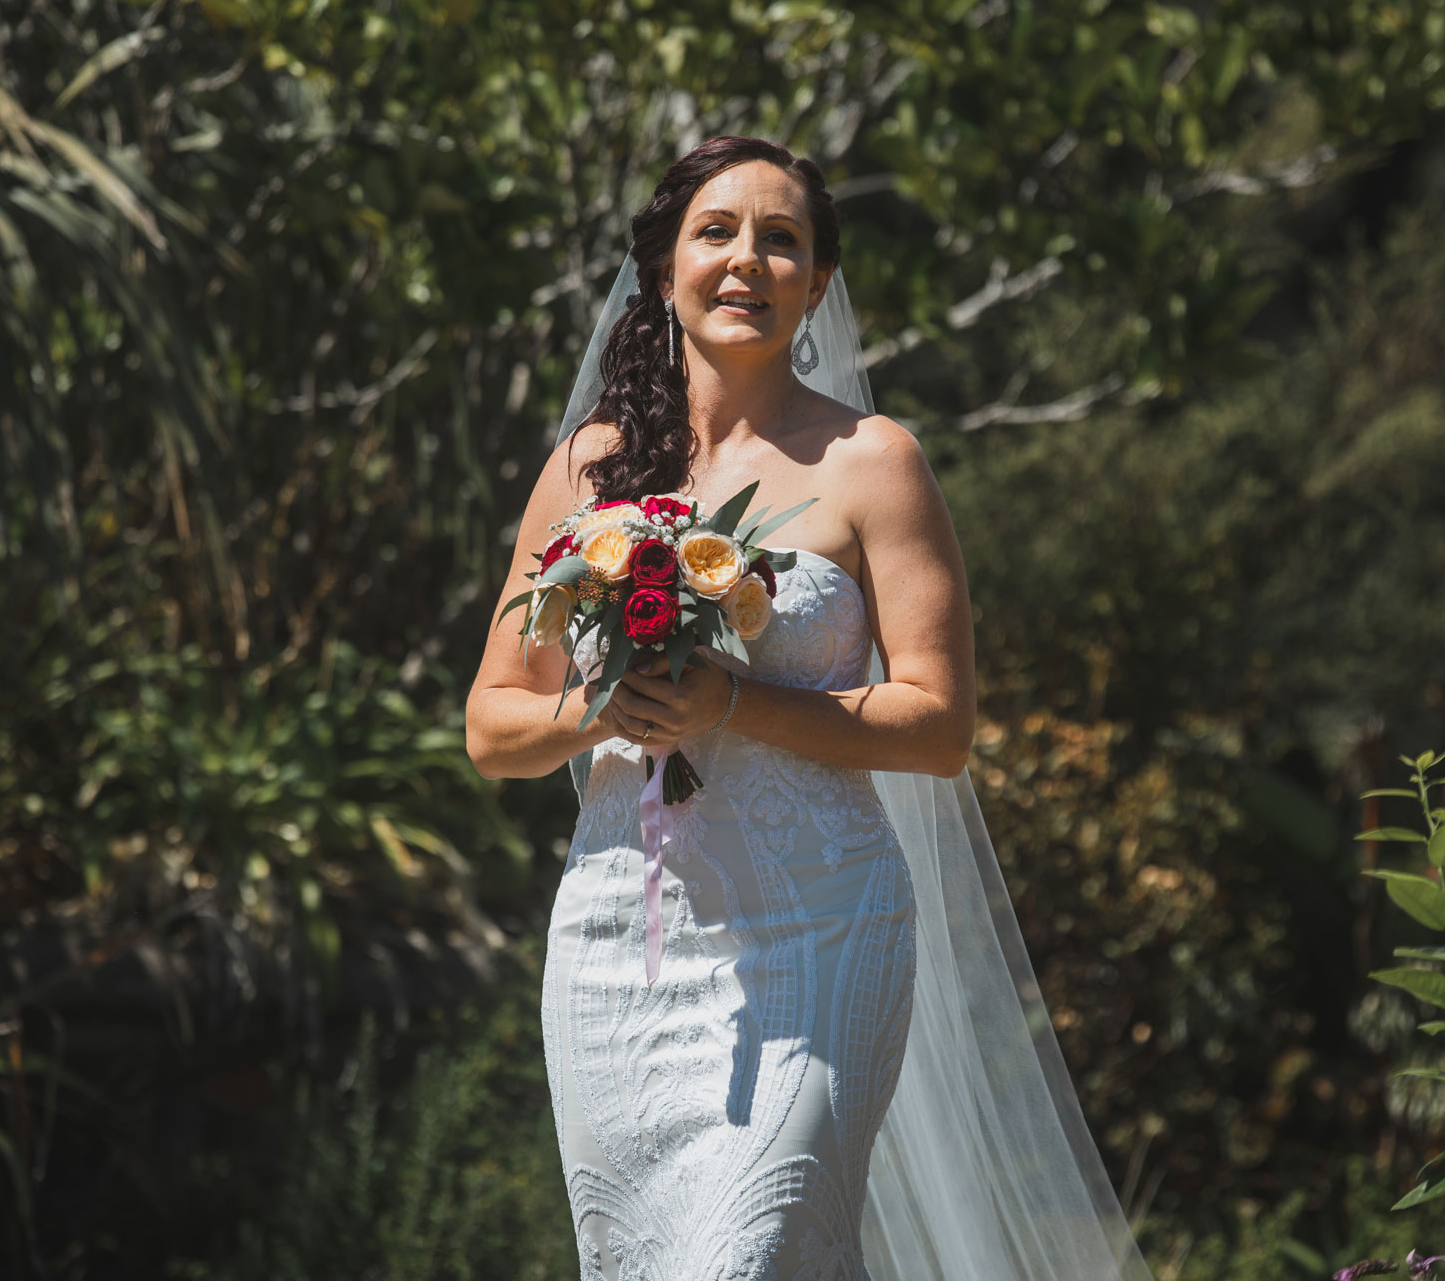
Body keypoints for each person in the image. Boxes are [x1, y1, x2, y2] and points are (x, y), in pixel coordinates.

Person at [466, 136, 1156, 1280]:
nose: (748, 259)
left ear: (818, 283)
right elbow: (494, 726)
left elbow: (938, 729)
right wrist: (601, 710)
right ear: (663, 267)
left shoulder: (871, 463)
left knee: (755, 1250)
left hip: (819, 927)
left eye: (780, 240)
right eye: (717, 232)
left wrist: (732, 700)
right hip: (620, 947)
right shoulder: (589, 469)